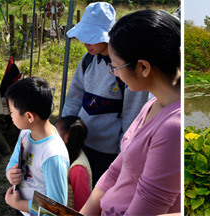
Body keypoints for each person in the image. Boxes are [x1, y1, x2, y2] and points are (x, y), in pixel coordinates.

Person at [79, 9, 181, 215]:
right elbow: (116, 170)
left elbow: (150, 203)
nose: (114, 72)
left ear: (143, 67)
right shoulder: (151, 105)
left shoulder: (172, 128)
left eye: (115, 66)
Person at [62, 1, 150, 187]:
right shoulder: (87, 60)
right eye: (84, 36)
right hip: (81, 141)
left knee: (102, 192)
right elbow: (74, 97)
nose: (85, 42)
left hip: (109, 149)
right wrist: (64, 130)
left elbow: (132, 115)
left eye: (91, 37)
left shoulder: (126, 67)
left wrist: (123, 152)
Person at [4, 77, 69, 215]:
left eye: (12, 112)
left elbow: (56, 207)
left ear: (29, 117)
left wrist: (18, 204)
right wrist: (10, 172)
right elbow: (14, 161)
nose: (10, 116)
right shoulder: (25, 134)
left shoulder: (53, 156)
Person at [55, 116, 92, 211]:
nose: (52, 136)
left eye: (55, 132)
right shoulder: (72, 152)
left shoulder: (78, 169)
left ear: (66, 137)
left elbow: (82, 205)